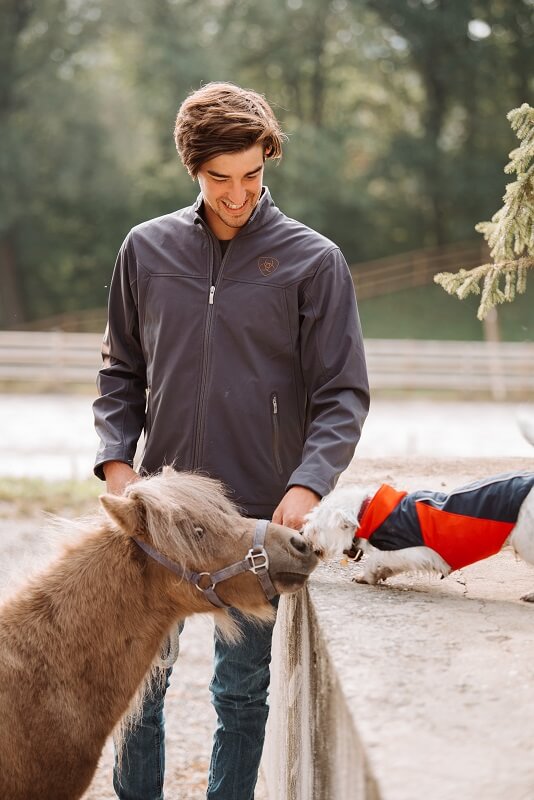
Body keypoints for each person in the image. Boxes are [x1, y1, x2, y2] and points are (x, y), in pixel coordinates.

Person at [93, 82, 369, 800]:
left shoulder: (314, 260)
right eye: (221, 178)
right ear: (193, 168)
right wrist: (120, 468)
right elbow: (121, 371)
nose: (239, 194)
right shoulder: (145, 250)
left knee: (242, 696)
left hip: (255, 516)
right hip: (159, 515)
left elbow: (342, 392)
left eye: (253, 175)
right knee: (140, 693)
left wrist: (307, 484)